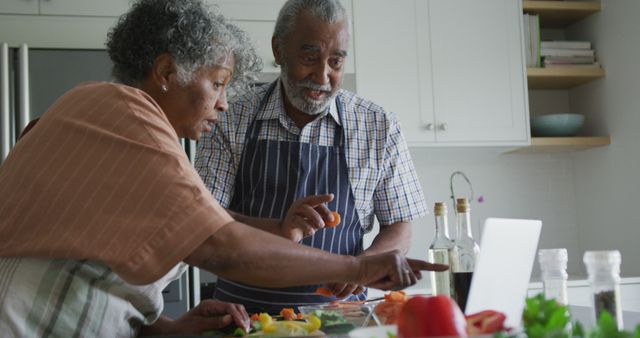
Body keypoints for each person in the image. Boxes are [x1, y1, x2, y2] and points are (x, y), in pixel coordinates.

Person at [0, 0, 445, 337]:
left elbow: (100, 264)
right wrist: (356, 269)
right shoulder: (126, 114)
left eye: (337, 60)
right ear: (167, 71)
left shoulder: (115, 117)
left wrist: (164, 329)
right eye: (217, 83)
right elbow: (220, 246)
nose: (224, 102)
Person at [195, 0, 428, 313]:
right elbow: (204, 219)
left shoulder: (378, 125)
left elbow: (399, 225)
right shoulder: (230, 115)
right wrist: (279, 228)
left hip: (341, 317)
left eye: (335, 62)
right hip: (243, 317)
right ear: (279, 51)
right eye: (310, 57)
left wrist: (361, 267)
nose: (322, 76)